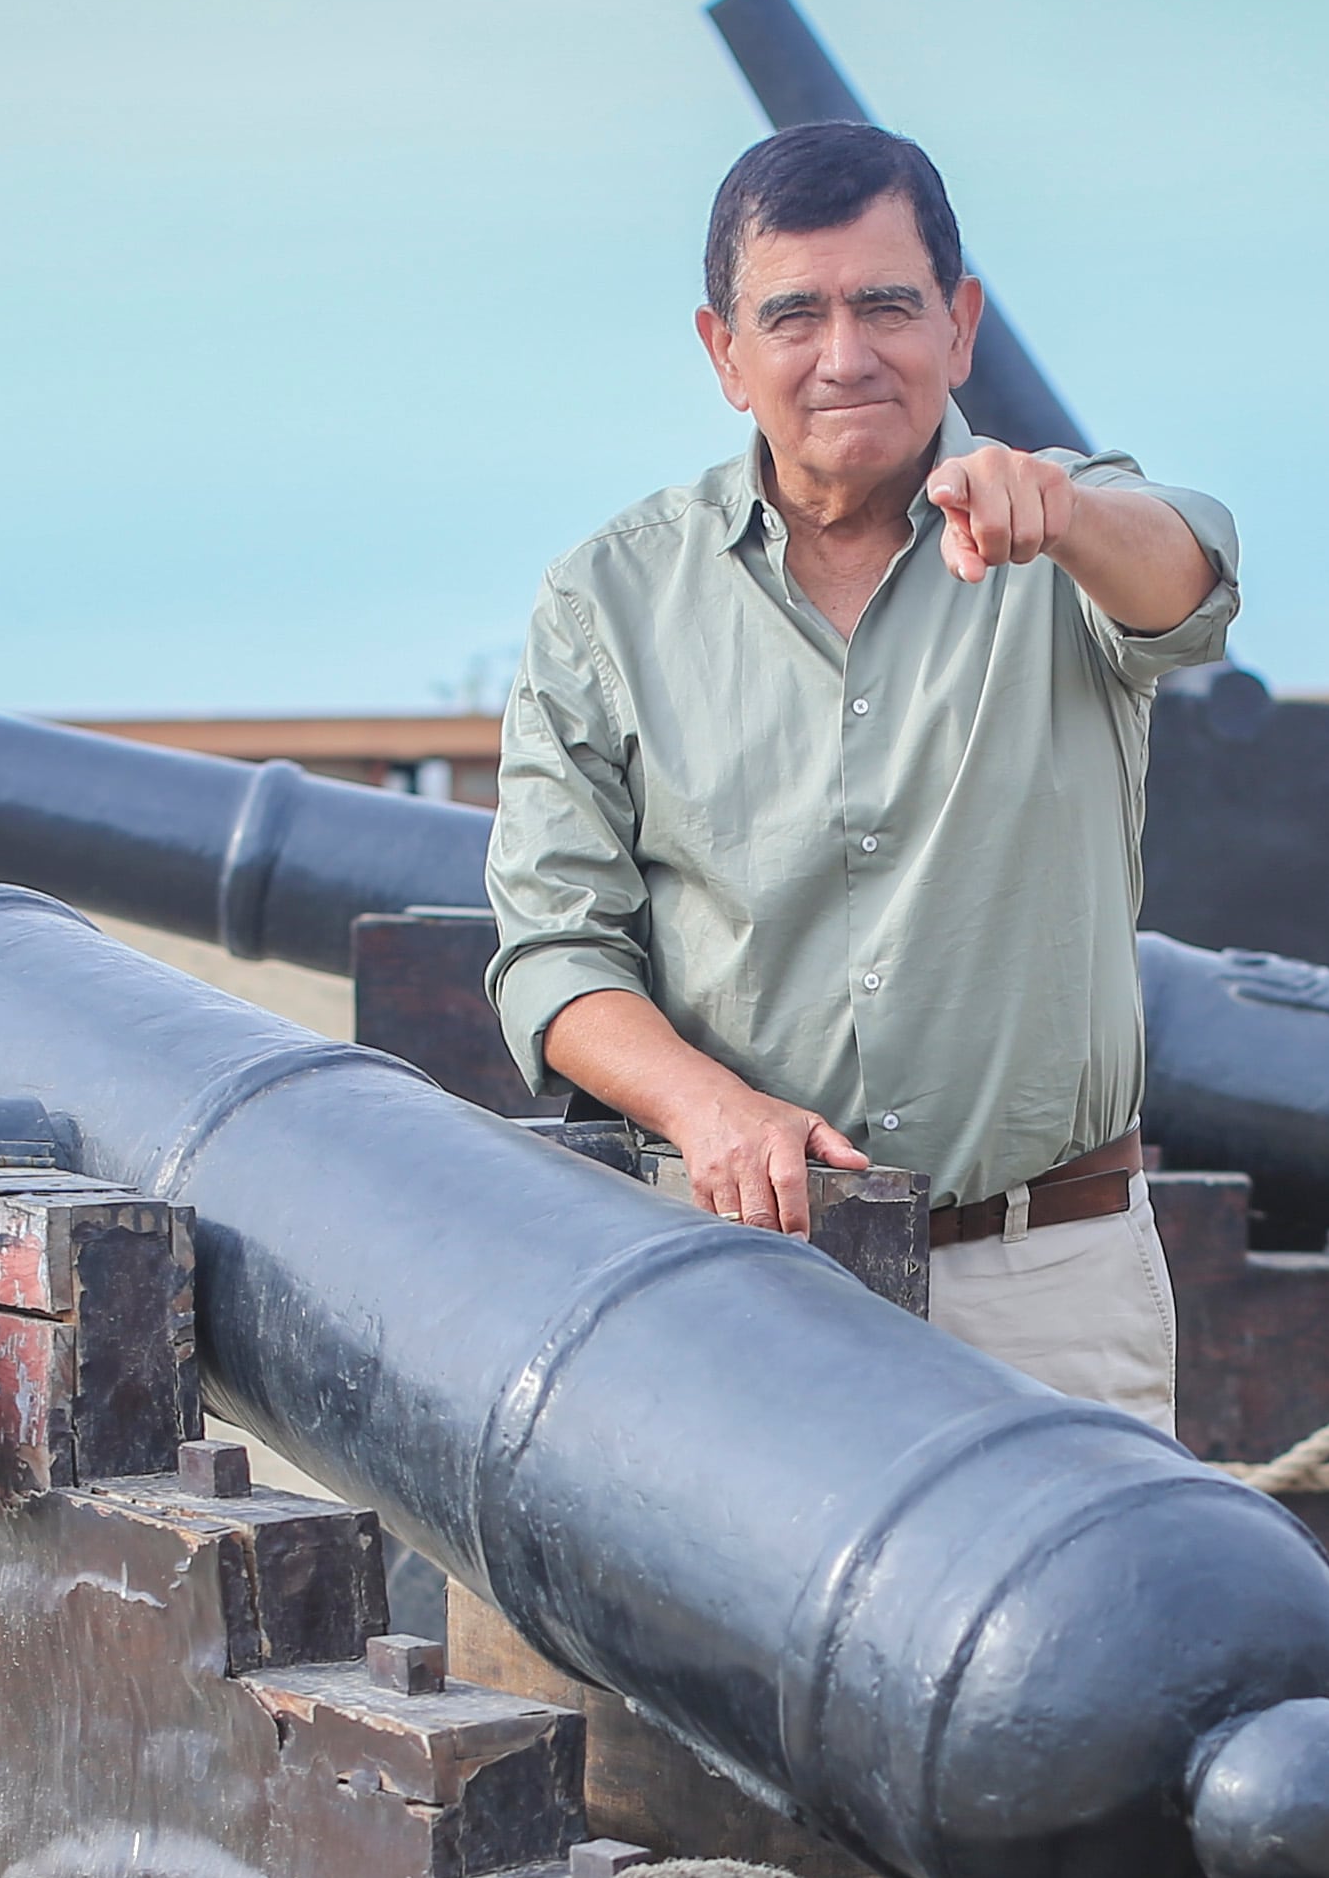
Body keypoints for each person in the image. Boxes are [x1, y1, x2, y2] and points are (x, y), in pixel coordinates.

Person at [480, 120, 1237, 1431]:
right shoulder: (607, 601)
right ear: (725, 353)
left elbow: (1194, 583)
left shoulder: (1069, 538)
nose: (845, 356)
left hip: (1044, 1279)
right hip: (736, 1278)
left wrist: (1064, 517)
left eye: (887, 306)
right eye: (794, 316)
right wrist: (709, 1109)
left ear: (960, 323)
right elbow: (553, 955)